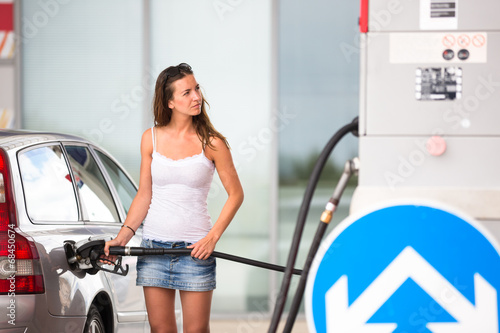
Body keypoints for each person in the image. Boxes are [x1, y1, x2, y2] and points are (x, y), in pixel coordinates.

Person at [104, 63, 244, 333]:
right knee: (161, 330)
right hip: (153, 248)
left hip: (195, 251)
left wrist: (212, 237)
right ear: (169, 102)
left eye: (197, 89)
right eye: (187, 93)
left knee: (196, 331)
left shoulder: (212, 143)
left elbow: (236, 194)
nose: (196, 97)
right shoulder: (150, 139)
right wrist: (122, 237)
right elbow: (145, 195)